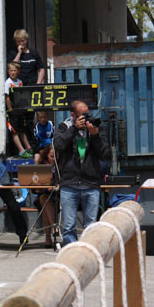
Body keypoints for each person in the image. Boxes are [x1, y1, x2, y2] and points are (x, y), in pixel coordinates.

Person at [53, 101, 110, 244]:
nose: (86, 118)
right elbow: (58, 145)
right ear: (73, 115)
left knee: (91, 225)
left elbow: (105, 154)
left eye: (87, 114)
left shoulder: (96, 128)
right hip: (70, 183)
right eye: (82, 116)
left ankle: (89, 254)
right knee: (68, 226)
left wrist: (95, 136)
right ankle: (71, 257)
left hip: (90, 183)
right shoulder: (63, 127)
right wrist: (73, 129)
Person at [4, 61, 32, 158]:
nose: (13, 72)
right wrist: (10, 109)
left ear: (18, 71)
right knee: (14, 131)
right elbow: (7, 96)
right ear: (8, 71)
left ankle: (28, 148)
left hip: (20, 110)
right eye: (11, 70)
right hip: (12, 111)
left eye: (15, 70)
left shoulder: (20, 82)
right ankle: (21, 150)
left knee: (22, 130)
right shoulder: (8, 83)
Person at [33, 145, 57, 248]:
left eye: (56, 156)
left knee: (46, 205)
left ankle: (48, 237)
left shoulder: (61, 167)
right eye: (52, 156)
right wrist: (46, 188)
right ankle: (53, 227)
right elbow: (34, 188)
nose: (54, 159)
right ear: (46, 156)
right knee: (45, 199)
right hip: (43, 196)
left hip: (58, 197)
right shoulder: (41, 168)